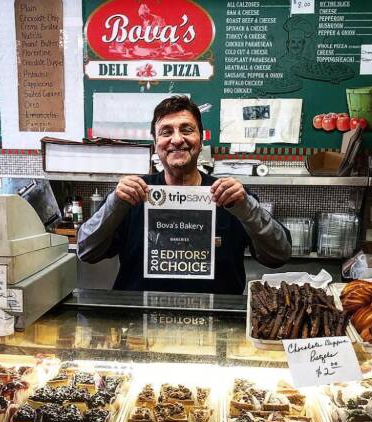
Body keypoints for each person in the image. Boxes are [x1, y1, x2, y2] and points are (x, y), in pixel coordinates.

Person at [77, 95, 291, 295]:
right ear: (155, 143)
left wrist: (247, 209)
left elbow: (278, 255)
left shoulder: (231, 197)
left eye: (187, 130)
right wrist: (115, 204)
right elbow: (87, 251)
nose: (177, 139)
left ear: (201, 139)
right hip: (138, 323)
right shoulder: (132, 195)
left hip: (217, 324)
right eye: (166, 132)